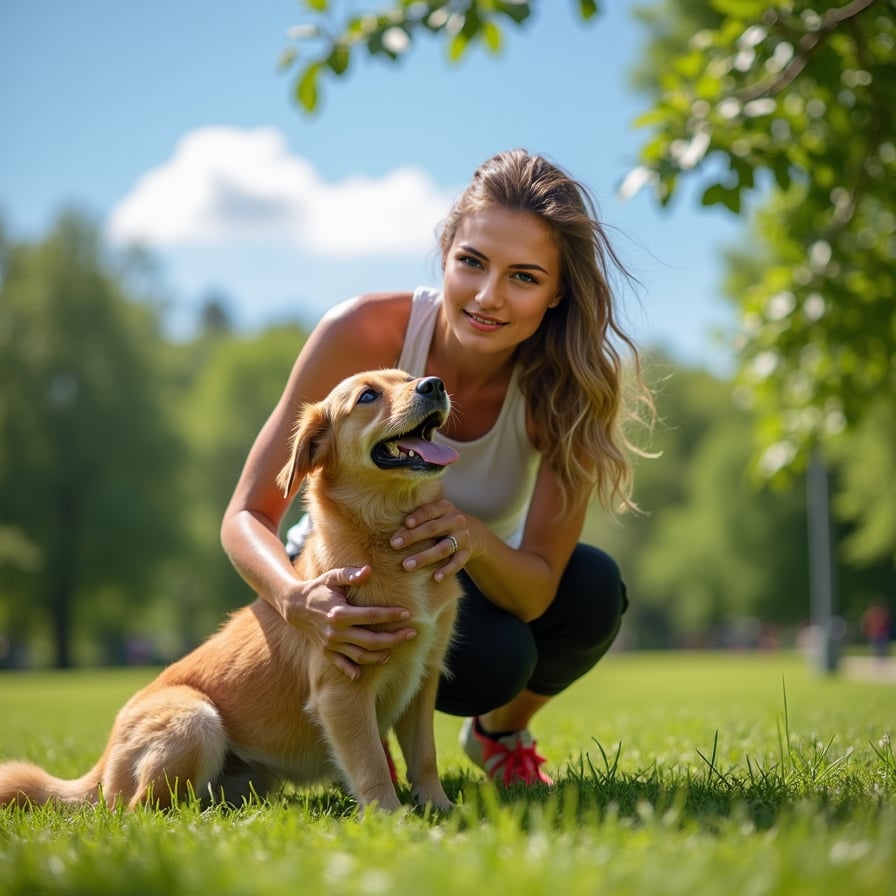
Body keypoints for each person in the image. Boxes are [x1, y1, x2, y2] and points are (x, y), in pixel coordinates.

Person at [221, 149, 653, 788]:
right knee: (484, 652)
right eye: (472, 263)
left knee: (589, 591)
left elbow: (537, 590)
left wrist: (470, 533)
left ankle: (499, 734)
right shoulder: (362, 330)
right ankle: (369, 749)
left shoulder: (571, 389)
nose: (488, 297)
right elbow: (247, 514)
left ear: (558, 291)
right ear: (446, 252)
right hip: (348, 567)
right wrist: (297, 599)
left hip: (462, 567)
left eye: (524, 277)